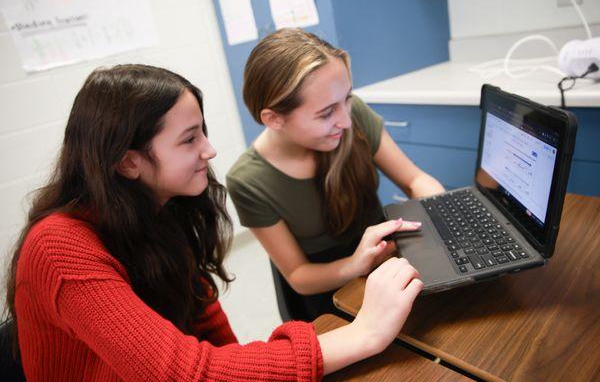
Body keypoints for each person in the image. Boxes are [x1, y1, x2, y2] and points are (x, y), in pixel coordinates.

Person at [4, 64, 424, 381]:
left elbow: (206, 326)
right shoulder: (59, 247)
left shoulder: (162, 208)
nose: (209, 150)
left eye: (202, 132)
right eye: (189, 139)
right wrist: (363, 334)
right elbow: (185, 374)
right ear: (129, 162)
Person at [227, 28, 445, 322]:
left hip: (383, 258)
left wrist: (441, 211)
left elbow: (414, 179)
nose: (345, 120)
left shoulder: (351, 115)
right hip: (326, 289)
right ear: (274, 118)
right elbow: (298, 275)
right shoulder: (248, 181)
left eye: (347, 99)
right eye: (326, 112)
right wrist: (357, 264)